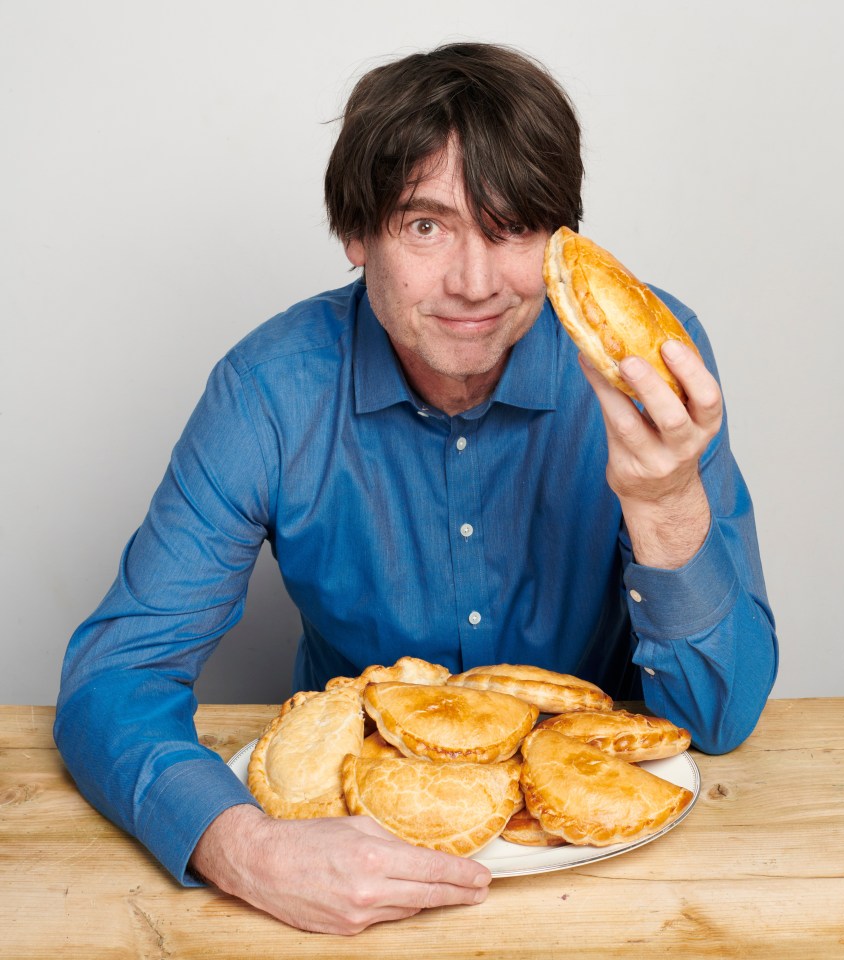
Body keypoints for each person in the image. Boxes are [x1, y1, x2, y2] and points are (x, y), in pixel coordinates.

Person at [54, 42, 777, 935]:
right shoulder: (269, 391)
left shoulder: (649, 372)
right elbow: (116, 673)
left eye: (510, 226)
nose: (474, 283)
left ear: (561, 245)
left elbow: (719, 719)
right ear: (356, 235)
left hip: (605, 879)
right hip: (341, 862)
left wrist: (666, 504)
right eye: (426, 227)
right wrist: (242, 849)